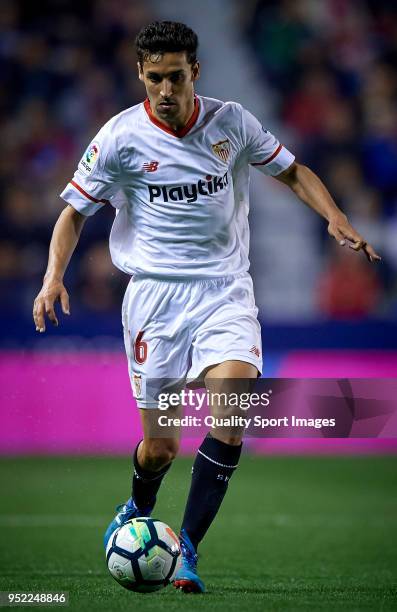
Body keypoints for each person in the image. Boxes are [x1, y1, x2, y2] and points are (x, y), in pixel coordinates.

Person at [32, 21, 381, 594]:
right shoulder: (119, 137)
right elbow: (72, 213)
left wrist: (334, 216)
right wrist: (52, 278)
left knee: (232, 415)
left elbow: (291, 169)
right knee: (160, 445)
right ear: (140, 76)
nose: (164, 91)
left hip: (225, 292)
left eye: (174, 77)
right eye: (153, 80)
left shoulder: (232, 123)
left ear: (195, 71)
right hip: (155, 299)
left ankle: (187, 549)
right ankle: (138, 507)